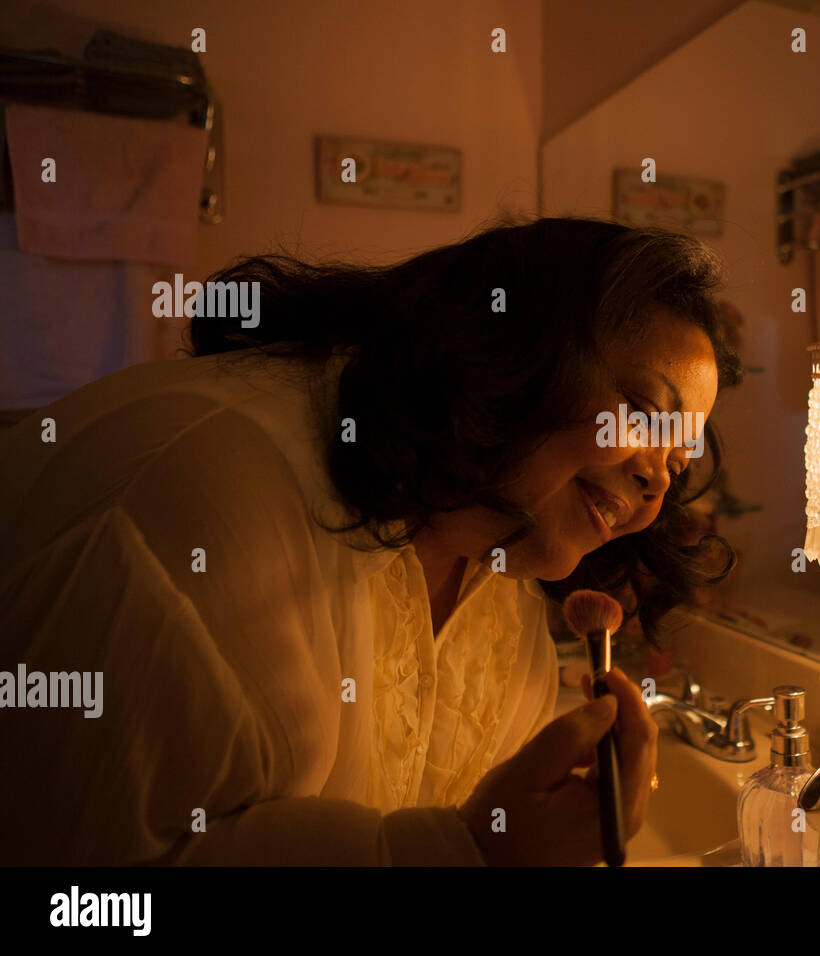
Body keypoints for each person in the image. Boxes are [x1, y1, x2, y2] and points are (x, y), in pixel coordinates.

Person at [0, 216, 742, 865]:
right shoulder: (200, 492)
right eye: (645, 412)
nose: (656, 482)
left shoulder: (500, 585)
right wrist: (470, 857)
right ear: (514, 344)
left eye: (679, 461)